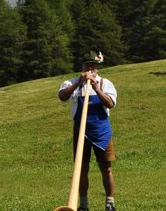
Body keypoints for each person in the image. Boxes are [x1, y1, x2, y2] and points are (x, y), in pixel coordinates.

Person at [58, 51, 118, 211]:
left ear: (97, 68)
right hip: (80, 131)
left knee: (106, 167)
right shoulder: (71, 82)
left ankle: (110, 203)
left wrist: (97, 89)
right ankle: (83, 204)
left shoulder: (106, 83)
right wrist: (78, 83)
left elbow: (110, 104)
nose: (90, 68)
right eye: (87, 65)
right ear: (82, 66)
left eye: (93, 65)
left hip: (101, 131)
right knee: (81, 168)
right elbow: (62, 97)